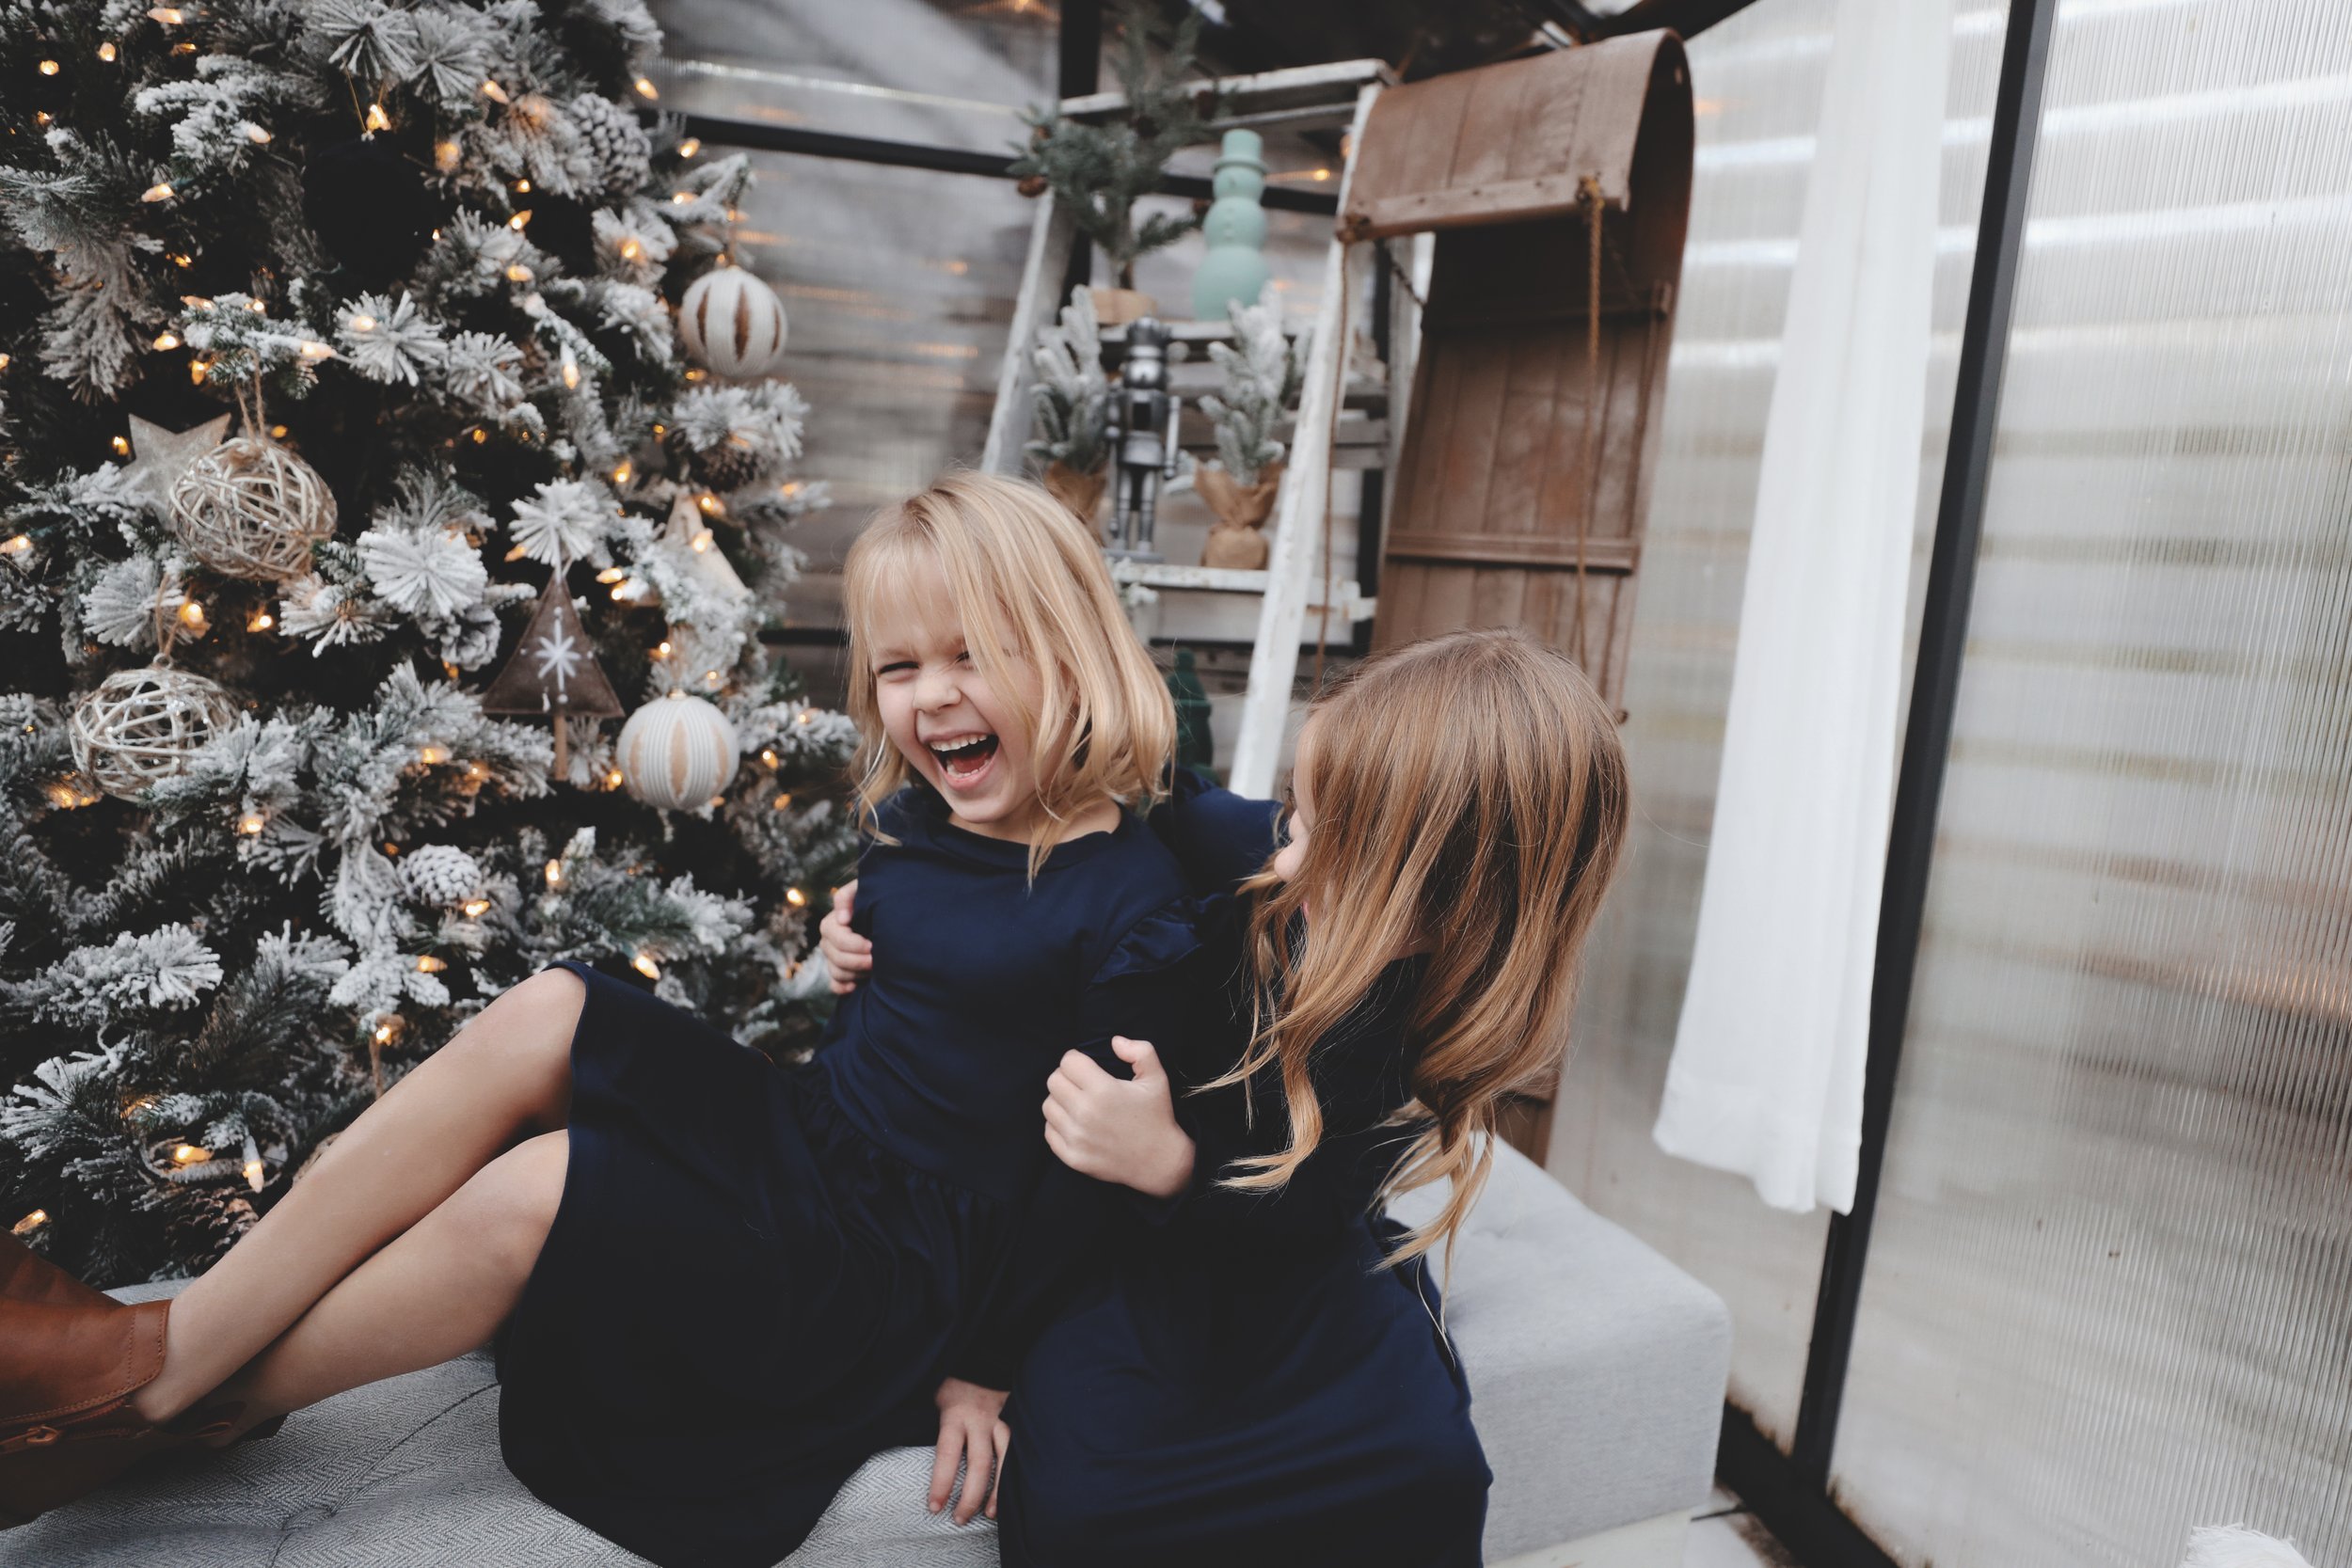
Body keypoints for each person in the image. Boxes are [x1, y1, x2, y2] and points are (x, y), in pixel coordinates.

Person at [0, 472, 1200, 1568]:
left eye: (975, 655)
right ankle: (172, 1343)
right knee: (556, 1003)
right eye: (899, 668)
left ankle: (176, 1399)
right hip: (814, 1141)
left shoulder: (1130, 906)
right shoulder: (923, 825)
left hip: (890, 1269)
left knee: (548, 1183)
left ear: (1071, 651)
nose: (933, 695)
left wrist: (982, 1372)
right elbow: (933, 964)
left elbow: (1076, 1188)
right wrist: (856, 950)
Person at [824, 627, 1633, 1566]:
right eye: (1295, 815)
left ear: (1465, 905)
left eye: (1328, 844)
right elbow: (1091, 811)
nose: (1284, 857)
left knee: (1427, 1460)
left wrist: (1174, 1166)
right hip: (1117, 1255)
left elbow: (1327, 1195)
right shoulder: (1231, 859)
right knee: (1091, 1497)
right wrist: (890, 913)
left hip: (1282, 1241)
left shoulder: (1434, 1005)